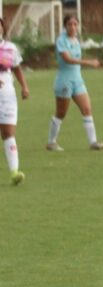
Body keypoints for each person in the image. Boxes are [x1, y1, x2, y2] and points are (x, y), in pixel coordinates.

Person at [47, 15, 103, 152]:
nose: (73, 27)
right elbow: (67, 59)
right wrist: (89, 62)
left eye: (75, 24)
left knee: (87, 109)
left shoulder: (76, 40)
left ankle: (93, 142)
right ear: (65, 26)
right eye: (70, 24)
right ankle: (51, 142)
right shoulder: (61, 40)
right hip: (64, 81)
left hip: (77, 80)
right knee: (61, 113)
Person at [0, 16, 29, 186]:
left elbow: (16, 68)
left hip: (7, 94)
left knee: (9, 133)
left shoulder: (10, 48)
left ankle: (14, 172)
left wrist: (24, 86)